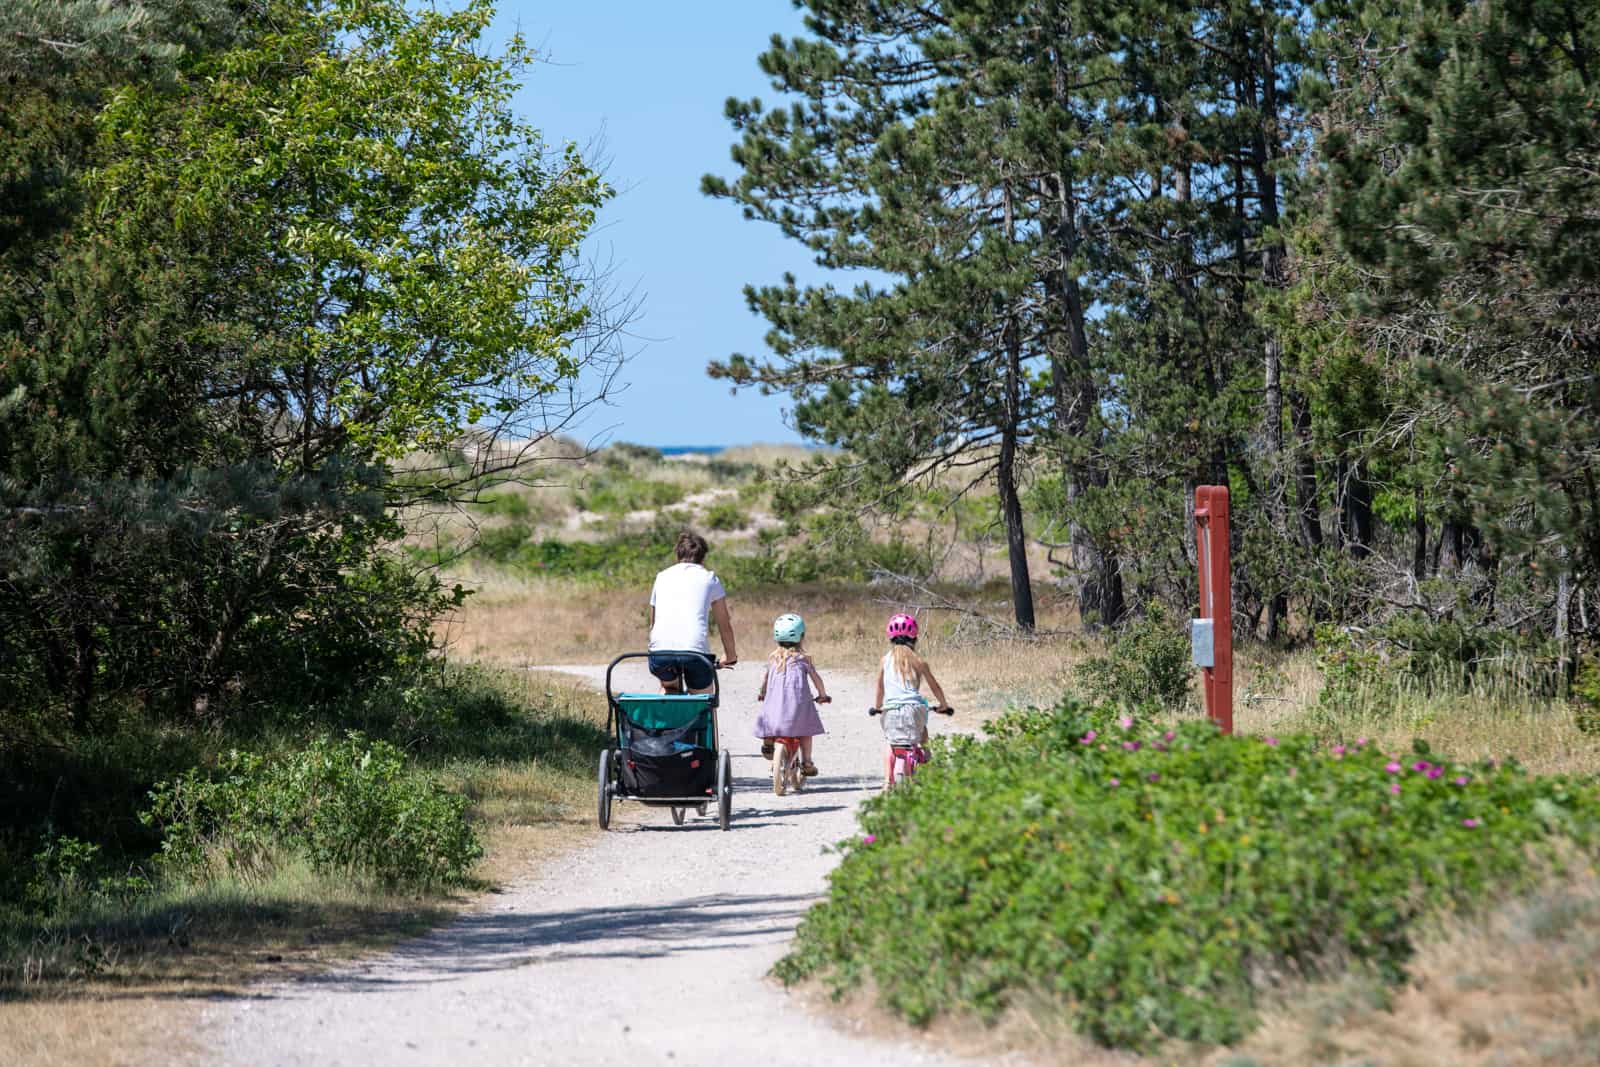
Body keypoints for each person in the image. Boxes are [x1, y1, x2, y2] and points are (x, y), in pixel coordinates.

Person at [648, 531, 737, 694]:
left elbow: (652, 624)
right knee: (702, 698)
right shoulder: (710, 578)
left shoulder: (661, 577)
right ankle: (701, 712)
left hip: (660, 652)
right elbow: (724, 624)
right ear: (703, 558)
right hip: (694, 652)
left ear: (677, 555)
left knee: (669, 688)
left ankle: (666, 708)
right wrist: (730, 656)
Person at [873, 613, 950, 788]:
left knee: (891, 743)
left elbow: (879, 687)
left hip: (891, 709)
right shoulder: (918, 660)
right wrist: (944, 705)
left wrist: (877, 707)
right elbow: (935, 686)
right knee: (922, 730)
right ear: (915, 637)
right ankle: (927, 756)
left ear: (890, 637)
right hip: (915, 709)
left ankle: (887, 782)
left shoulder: (885, 660)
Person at [753, 613, 830, 777]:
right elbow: (817, 680)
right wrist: (823, 695)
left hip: (774, 706)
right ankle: (807, 762)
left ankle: (768, 739)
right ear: (801, 636)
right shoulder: (803, 659)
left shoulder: (773, 658)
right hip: (798, 706)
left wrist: (762, 693)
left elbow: (765, 680)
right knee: (806, 731)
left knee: (770, 715)